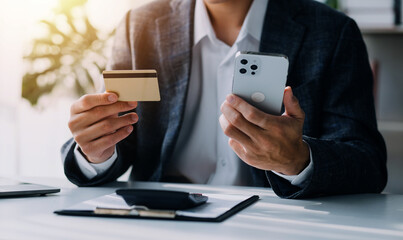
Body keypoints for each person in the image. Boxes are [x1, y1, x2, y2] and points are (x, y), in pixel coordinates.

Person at [61, 0, 387, 198]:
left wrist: (298, 160)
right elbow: (119, 139)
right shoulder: (140, 26)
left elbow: (368, 164)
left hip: (275, 224)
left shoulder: (330, 31)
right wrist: (94, 151)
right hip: (163, 222)